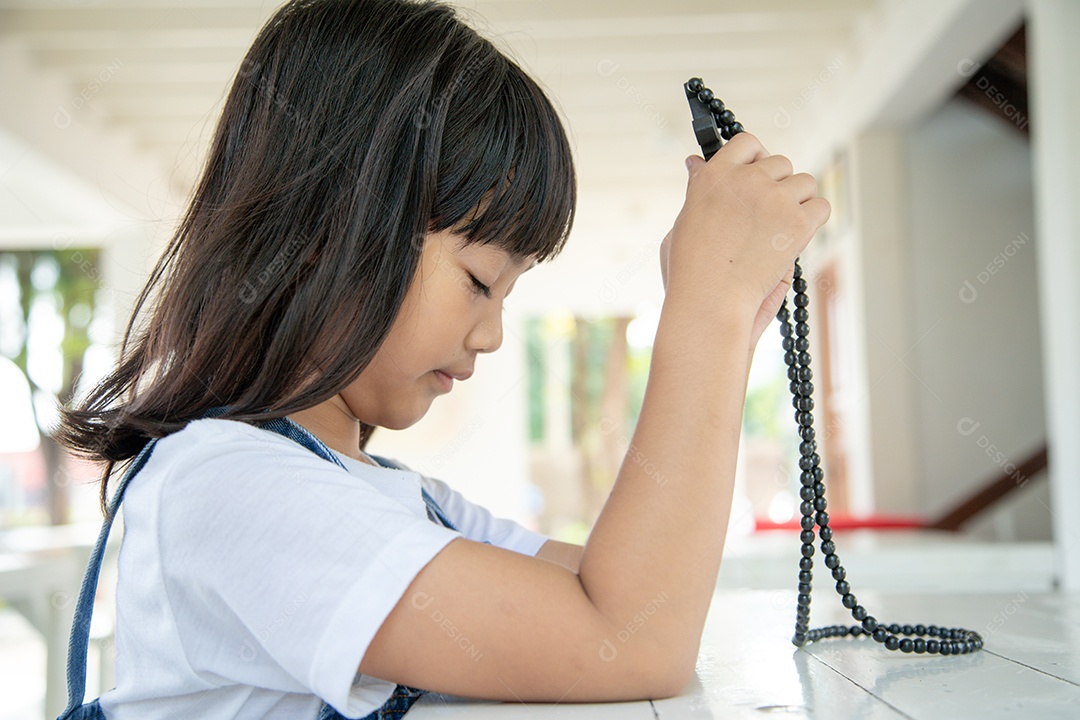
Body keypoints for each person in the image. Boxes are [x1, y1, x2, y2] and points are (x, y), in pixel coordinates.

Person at [57, 0, 830, 717]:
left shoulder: (402, 500)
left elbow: (642, 591)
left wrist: (729, 311)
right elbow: (627, 640)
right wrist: (705, 314)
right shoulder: (232, 489)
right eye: (481, 281)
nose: (492, 335)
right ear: (328, 231)